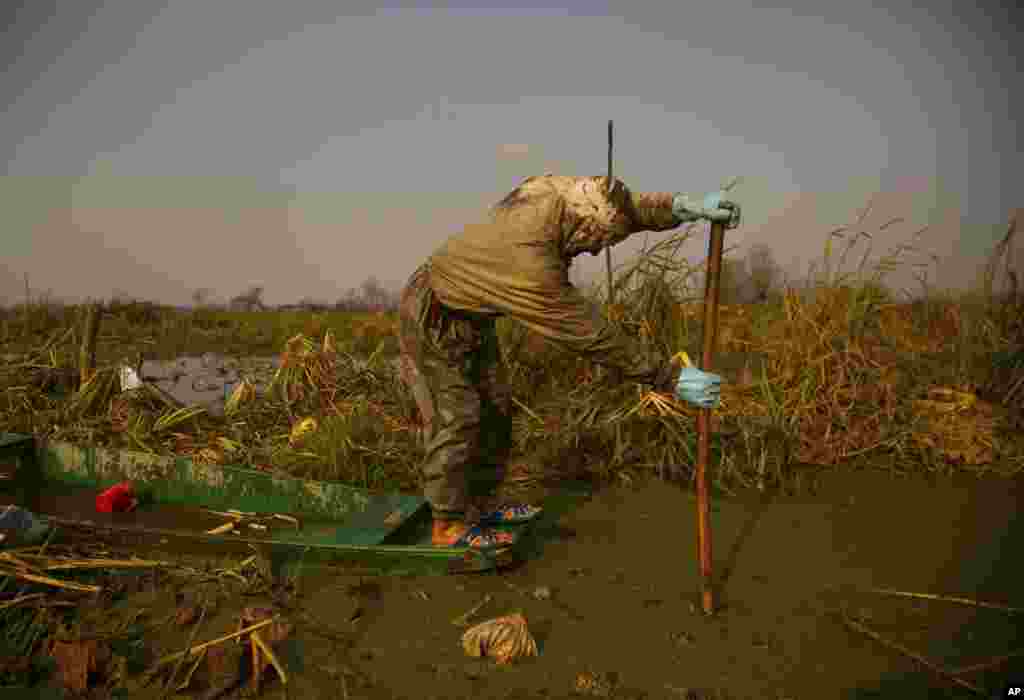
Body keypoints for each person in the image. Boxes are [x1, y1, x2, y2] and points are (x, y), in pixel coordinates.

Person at [397, 174, 741, 550]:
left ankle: (478, 505)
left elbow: (626, 208)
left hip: (470, 313)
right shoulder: (531, 266)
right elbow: (592, 336)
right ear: (581, 223)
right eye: (596, 241)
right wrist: (669, 376)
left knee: (496, 405)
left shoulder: (561, 194)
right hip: (434, 313)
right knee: (459, 414)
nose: (594, 252)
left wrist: (681, 206)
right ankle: (447, 524)